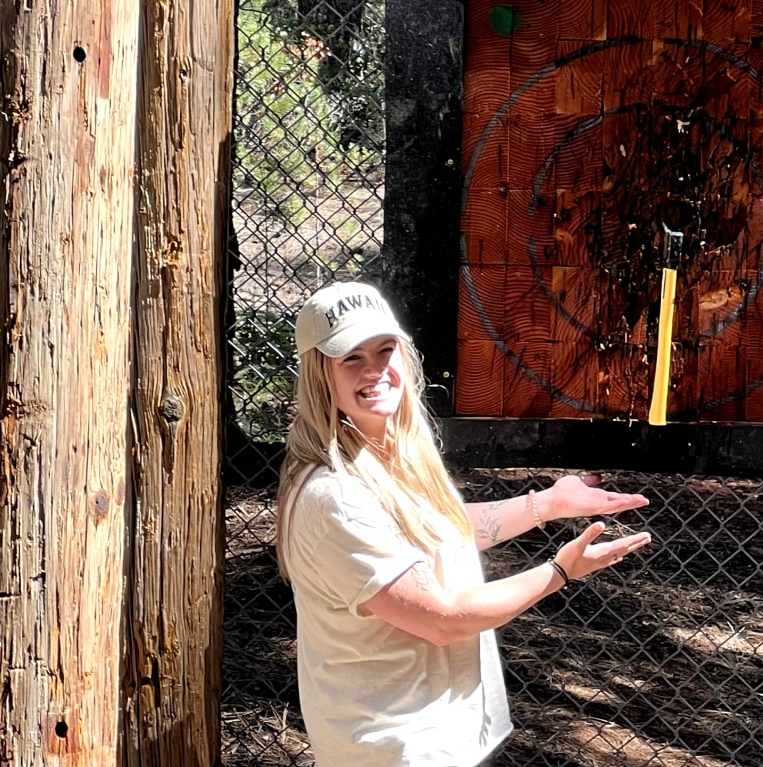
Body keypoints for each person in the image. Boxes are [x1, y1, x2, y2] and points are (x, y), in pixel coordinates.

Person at [274, 281, 653, 767]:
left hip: (444, 730)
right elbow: (440, 618)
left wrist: (548, 504)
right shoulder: (337, 494)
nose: (375, 369)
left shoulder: (388, 453)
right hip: (400, 747)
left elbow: (434, 530)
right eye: (351, 357)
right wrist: (559, 572)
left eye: (385, 349)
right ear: (317, 373)